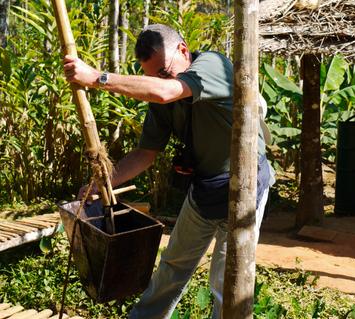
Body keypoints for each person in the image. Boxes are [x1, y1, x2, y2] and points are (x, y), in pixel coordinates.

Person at [64, 23, 275, 319]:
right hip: (205, 189)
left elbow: (166, 91)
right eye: (153, 75)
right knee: (171, 268)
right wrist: (100, 184)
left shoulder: (213, 65)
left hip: (245, 187)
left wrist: (97, 78)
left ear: (183, 51)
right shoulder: (161, 87)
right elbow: (144, 154)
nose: (159, 79)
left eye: (164, 71)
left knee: (226, 282)